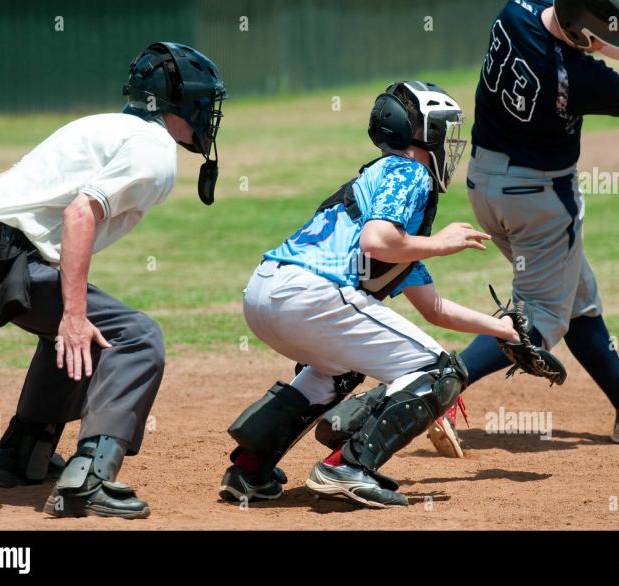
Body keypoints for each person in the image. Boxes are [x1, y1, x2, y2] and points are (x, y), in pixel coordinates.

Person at [218, 81, 562, 509]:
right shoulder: (407, 171)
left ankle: (249, 469)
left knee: (337, 371)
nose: (451, 141)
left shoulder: (382, 193)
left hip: (267, 290)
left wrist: (504, 331)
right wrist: (443, 242)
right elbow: (377, 242)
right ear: (420, 134)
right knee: (439, 372)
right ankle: (347, 466)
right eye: (443, 129)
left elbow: (433, 308)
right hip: (312, 293)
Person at [427, 0, 619, 457]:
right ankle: (436, 389)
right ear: (581, 35)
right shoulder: (576, 78)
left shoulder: (517, 10)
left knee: (578, 298)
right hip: (540, 200)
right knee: (545, 319)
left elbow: (604, 37)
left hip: (486, 184)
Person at [0, 42, 227, 518]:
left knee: (73, 331)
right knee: (133, 335)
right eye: (206, 102)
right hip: (3, 258)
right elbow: (79, 212)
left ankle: (23, 457)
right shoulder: (155, 150)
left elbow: (5, 185)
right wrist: (73, 313)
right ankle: (90, 478)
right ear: (187, 103)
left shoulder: (99, 125)